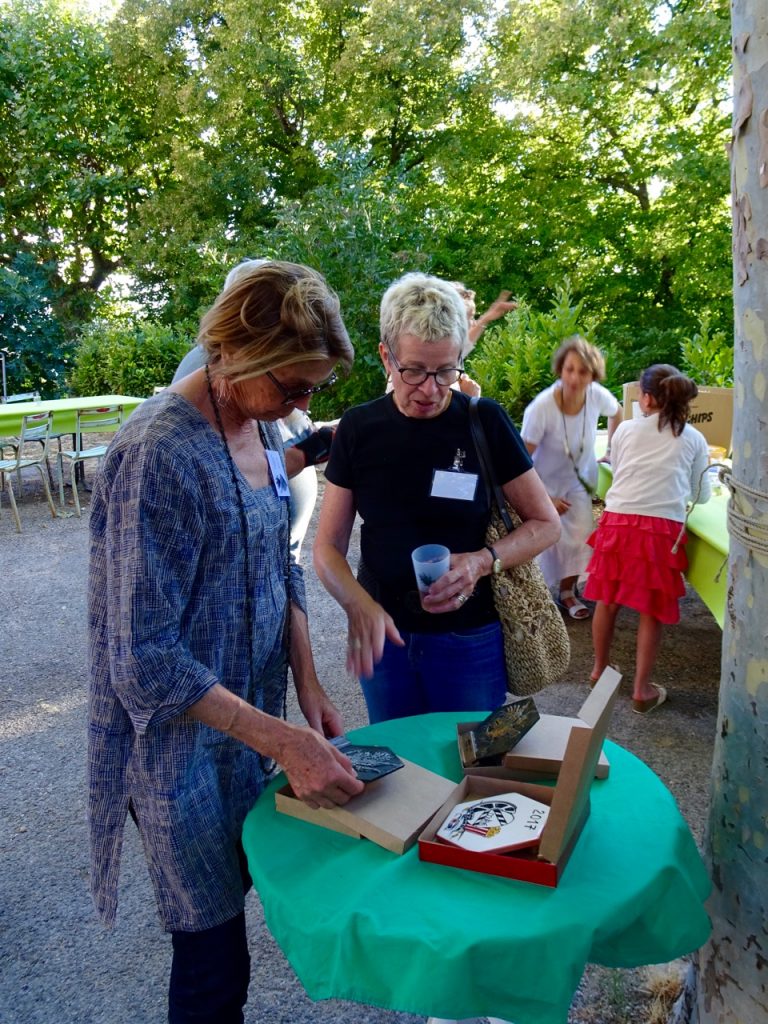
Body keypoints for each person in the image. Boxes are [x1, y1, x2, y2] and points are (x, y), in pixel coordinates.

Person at [87, 260, 364, 1024]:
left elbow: (279, 558)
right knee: (213, 964)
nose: (304, 408)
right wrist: (285, 741)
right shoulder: (158, 454)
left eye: (314, 391)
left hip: (250, 733)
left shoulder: (261, 424)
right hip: (176, 757)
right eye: (294, 387)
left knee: (247, 905)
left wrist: (308, 682)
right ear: (233, 355)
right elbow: (142, 660)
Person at [313, 272, 560, 724]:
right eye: (413, 371)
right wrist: (359, 606)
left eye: (446, 371)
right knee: (398, 757)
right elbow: (327, 547)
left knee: (469, 758)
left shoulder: (484, 421)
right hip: (386, 638)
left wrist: (481, 562)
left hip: (470, 638)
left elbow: (546, 524)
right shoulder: (359, 428)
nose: (430, 389)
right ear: (386, 357)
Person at [172, 259, 335, 559]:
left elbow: (262, 463)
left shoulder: (254, 404)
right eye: (292, 386)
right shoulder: (209, 375)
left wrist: (316, 446)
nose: (303, 403)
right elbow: (226, 477)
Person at [584, 364, 711, 713]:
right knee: (650, 611)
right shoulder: (693, 438)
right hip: (660, 531)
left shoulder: (626, 430)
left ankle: (598, 670)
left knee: (607, 600)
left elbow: (620, 470)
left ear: (648, 398)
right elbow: (701, 496)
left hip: (617, 523)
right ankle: (642, 691)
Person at [520, 335, 623, 619]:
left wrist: (611, 450)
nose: (575, 378)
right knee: (543, 541)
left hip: (579, 480)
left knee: (579, 537)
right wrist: (545, 497)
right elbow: (521, 459)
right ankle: (536, 599)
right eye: (570, 369)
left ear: (593, 374)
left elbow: (616, 412)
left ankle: (567, 593)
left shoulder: (597, 395)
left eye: (583, 371)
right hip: (540, 482)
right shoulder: (541, 407)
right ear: (560, 370)